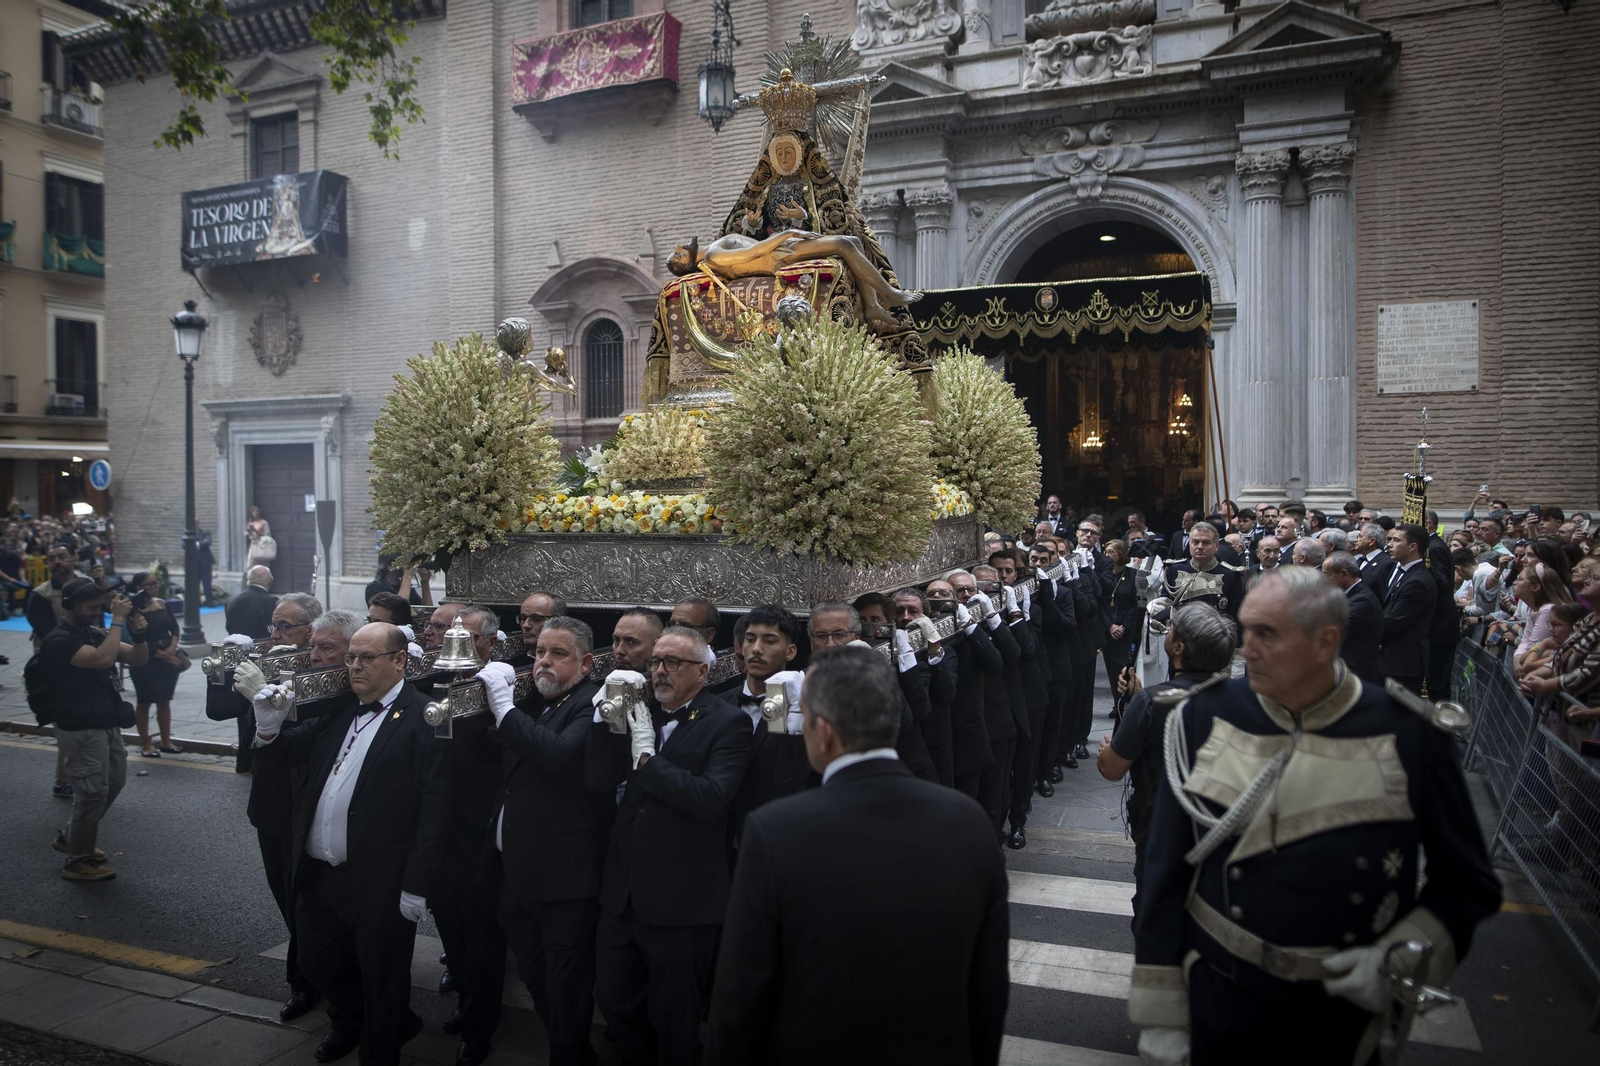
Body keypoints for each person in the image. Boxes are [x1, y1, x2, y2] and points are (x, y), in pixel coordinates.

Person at [1128, 566, 1501, 1066]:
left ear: (1325, 641)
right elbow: (1165, 868)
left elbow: (1468, 881)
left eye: (1267, 634)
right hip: (1219, 993)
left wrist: (1399, 958)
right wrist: (1163, 1010)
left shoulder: (1409, 733)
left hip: (1344, 1014)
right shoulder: (1201, 716)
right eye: (1246, 630)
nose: (1246, 650)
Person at [704, 647, 1009, 1066]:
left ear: (823, 731)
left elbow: (741, 994)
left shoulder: (775, 831)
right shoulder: (969, 821)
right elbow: (989, 986)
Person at [250, 623, 447, 1066]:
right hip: (321, 874)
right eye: (351, 657)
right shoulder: (340, 708)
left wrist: (417, 884)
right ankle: (378, 1022)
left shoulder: (424, 717)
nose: (355, 666)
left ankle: (381, 1047)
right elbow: (286, 756)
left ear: (399, 661)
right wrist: (267, 729)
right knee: (317, 963)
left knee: (382, 978)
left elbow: (435, 809)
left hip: (380, 879)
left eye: (367, 658)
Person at [587, 625, 753, 1066]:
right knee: (613, 996)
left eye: (672, 663)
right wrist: (603, 724)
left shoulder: (728, 722)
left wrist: (648, 758)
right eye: (656, 662)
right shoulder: (640, 709)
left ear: (702, 671)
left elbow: (710, 799)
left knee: (675, 1014)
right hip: (623, 893)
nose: (659, 671)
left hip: (683, 899)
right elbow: (599, 781)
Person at [478, 616, 604, 1066]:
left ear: (585, 664)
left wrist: (503, 707)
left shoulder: (590, 703)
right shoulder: (535, 700)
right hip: (516, 872)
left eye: (558, 654)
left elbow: (558, 755)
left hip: (562, 879)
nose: (543, 662)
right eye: (539, 653)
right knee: (535, 976)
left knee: (566, 985)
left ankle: (570, 1055)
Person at [1097, 604, 1233, 919]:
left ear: (1179, 648)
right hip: (1221, 823)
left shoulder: (1151, 702)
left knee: (1157, 911)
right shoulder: (1240, 697)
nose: (1166, 629)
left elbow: (1112, 768)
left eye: (1171, 628)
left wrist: (1108, 749)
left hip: (1162, 825)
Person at [43, 578, 149, 880]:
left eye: (97, 607)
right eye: (90, 607)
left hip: (105, 720)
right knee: (91, 793)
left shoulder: (94, 633)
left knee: (113, 783)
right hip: (79, 726)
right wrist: (117, 620)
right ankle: (77, 860)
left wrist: (139, 634)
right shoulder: (59, 639)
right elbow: (102, 660)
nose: (95, 612)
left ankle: (71, 838)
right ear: (71, 606)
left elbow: (138, 658)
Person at [127, 571, 182, 757]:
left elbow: (174, 628)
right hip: (145, 659)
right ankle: (146, 743)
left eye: (156, 583)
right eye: (149, 584)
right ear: (138, 587)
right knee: (144, 702)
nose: (154, 587)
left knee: (164, 700)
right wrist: (162, 654)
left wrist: (171, 649)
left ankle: (166, 741)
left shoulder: (162, 603)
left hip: (167, 658)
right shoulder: (133, 609)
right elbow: (136, 636)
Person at [1379, 524, 1436, 694]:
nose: (1389, 545)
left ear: (1412, 546)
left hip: (1403, 663)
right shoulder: (1403, 572)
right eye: (1390, 540)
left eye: (1396, 540)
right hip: (1392, 659)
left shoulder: (1418, 581)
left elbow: (1395, 622)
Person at [1321, 552, 1383, 685]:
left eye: (1326, 575)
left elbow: (1331, 629)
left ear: (1344, 574)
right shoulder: (1345, 595)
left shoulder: (1363, 601)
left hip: (1357, 675)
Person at [228, 565, 278, 640]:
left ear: (248, 579)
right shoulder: (271, 602)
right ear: (270, 581)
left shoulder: (231, 600)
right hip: (262, 645)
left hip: (235, 644)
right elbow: (273, 629)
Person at [365, 554, 434, 607]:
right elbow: (398, 611)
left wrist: (425, 583)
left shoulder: (406, 586)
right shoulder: (374, 588)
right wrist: (407, 577)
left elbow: (427, 612)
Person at [246, 504, 275, 570]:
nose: (255, 513)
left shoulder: (263, 522)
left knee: (263, 566)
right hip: (253, 546)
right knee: (251, 565)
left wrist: (255, 530)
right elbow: (250, 536)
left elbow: (267, 534)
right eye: (253, 511)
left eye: (257, 511)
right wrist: (248, 531)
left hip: (262, 546)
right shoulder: (251, 523)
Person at [195, 525, 216, 606]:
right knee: (195, 584)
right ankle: (197, 602)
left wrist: (196, 544)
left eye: (196, 523)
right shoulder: (186, 534)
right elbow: (184, 545)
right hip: (193, 564)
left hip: (205, 562)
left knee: (207, 583)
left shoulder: (205, 532)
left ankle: (209, 602)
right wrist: (201, 542)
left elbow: (208, 542)